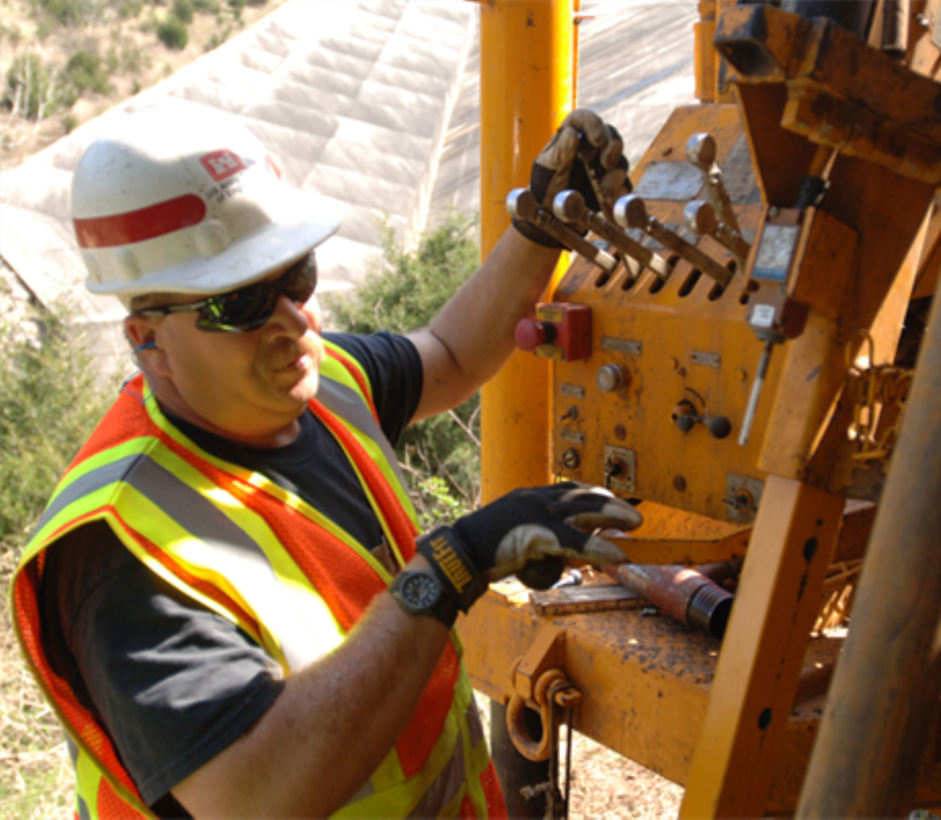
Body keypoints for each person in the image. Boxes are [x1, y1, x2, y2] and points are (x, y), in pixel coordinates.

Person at [11, 104, 641, 819]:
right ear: (146, 339)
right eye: (243, 303)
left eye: (297, 277)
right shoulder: (122, 548)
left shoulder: (326, 384)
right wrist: (447, 571)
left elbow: (451, 353)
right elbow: (253, 797)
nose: (296, 323)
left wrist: (539, 230)